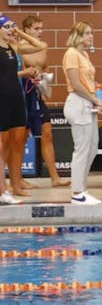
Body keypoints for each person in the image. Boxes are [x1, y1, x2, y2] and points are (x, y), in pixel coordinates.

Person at [15, 16, 67, 188]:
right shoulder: (19, 47)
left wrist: (46, 89)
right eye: (36, 29)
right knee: (20, 138)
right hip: (23, 93)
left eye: (41, 28)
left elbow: (45, 70)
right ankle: (18, 178)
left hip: (37, 93)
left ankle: (55, 177)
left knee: (47, 133)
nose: (40, 32)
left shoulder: (42, 49)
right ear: (27, 29)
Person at [0, 16, 44, 199]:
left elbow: (40, 46)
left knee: (16, 142)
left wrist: (18, 33)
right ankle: (3, 188)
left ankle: (16, 185)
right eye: (7, 27)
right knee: (2, 145)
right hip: (1, 99)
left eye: (13, 26)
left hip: (17, 99)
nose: (11, 29)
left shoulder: (14, 47)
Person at [60, 22, 102, 205]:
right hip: (78, 103)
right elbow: (76, 84)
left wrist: (95, 99)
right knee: (82, 150)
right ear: (77, 35)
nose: (91, 36)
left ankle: (82, 188)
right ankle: (77, 192)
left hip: (88, 103)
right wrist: (93, 99)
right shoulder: (71, 54)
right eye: (87, 33)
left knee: (92, 148)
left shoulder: (83, 54)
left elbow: (88, 81)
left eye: (91, 33)